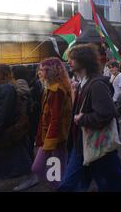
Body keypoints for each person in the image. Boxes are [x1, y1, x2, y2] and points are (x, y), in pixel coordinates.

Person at [58, 44, 121, 192]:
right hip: (83, 146)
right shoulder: (83, 84)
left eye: (72, 59)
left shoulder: (96, 84)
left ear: (83, 60)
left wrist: (82, 119)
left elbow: (106, 114)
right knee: (71, 185)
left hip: (98, 147)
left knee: (112, 186)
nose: (69, 62)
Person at [13, 58, 72, 191]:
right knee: (56, 172)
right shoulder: (52, 88)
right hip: (55, 136)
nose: (40, 72)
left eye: (44, 69)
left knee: (40, 168)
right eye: (40, 69)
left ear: (53, 71)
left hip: (55, 137)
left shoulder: (56, 90)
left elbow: (56, 119)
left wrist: (48, 143)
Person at [0, 64, 32, 180]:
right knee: (17, 160)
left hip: (3, 132)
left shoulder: (4, 88)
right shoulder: (4, 87)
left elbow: (0, 113)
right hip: (7, 131)